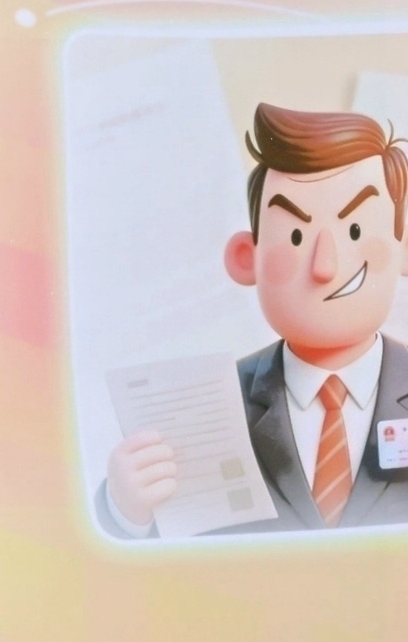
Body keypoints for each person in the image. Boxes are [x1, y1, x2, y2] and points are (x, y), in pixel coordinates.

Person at [101, 105, 408, 536]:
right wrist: (125, 511)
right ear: (247, 258)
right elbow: (171, 551)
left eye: (355, 231)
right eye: (297, 237)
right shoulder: (209, 406)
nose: (325, 264)